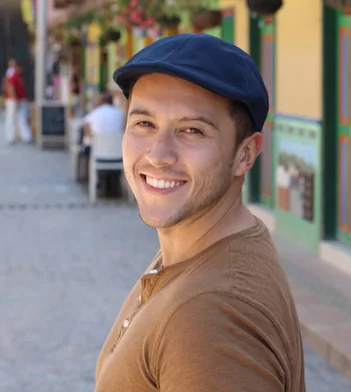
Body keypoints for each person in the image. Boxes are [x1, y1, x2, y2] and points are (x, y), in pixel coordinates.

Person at [94, 34, 305, 392]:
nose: (159, 155)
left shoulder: (209, 315)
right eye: (144, 124)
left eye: (192, 130)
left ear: (246, 154)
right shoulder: (194, 247)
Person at [3, 59, 32, 144]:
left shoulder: (18, 75)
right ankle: (11, 137)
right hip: (14, 100)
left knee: (21, 118)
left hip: (19, 99)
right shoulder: (13, 75)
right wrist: (15, 99)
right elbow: (10, 87)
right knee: (11, 118)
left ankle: (25, 136)